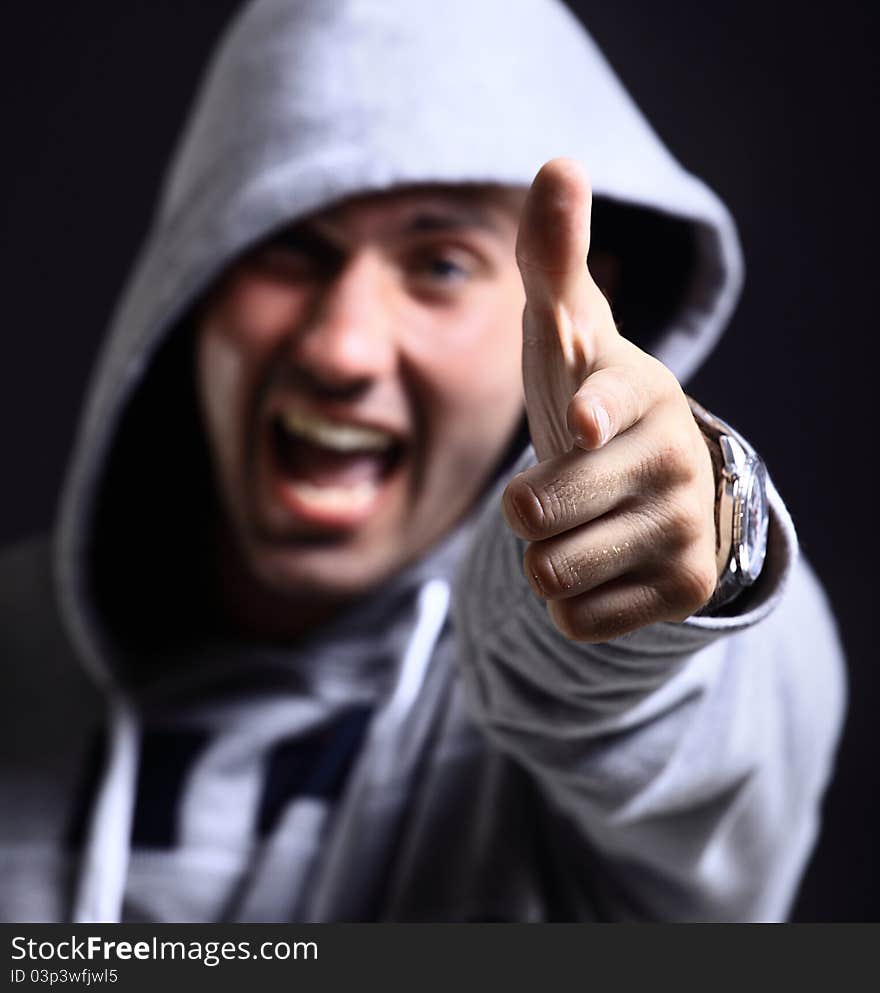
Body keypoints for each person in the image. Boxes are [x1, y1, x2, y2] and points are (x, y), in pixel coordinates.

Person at [0, 0, 845, 922]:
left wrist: (683, 558)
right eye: (288, 243)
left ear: (574, 304)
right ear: (191, 278)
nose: (341, 349)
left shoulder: (598, 731)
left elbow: (684, 710)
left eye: (441, 264)